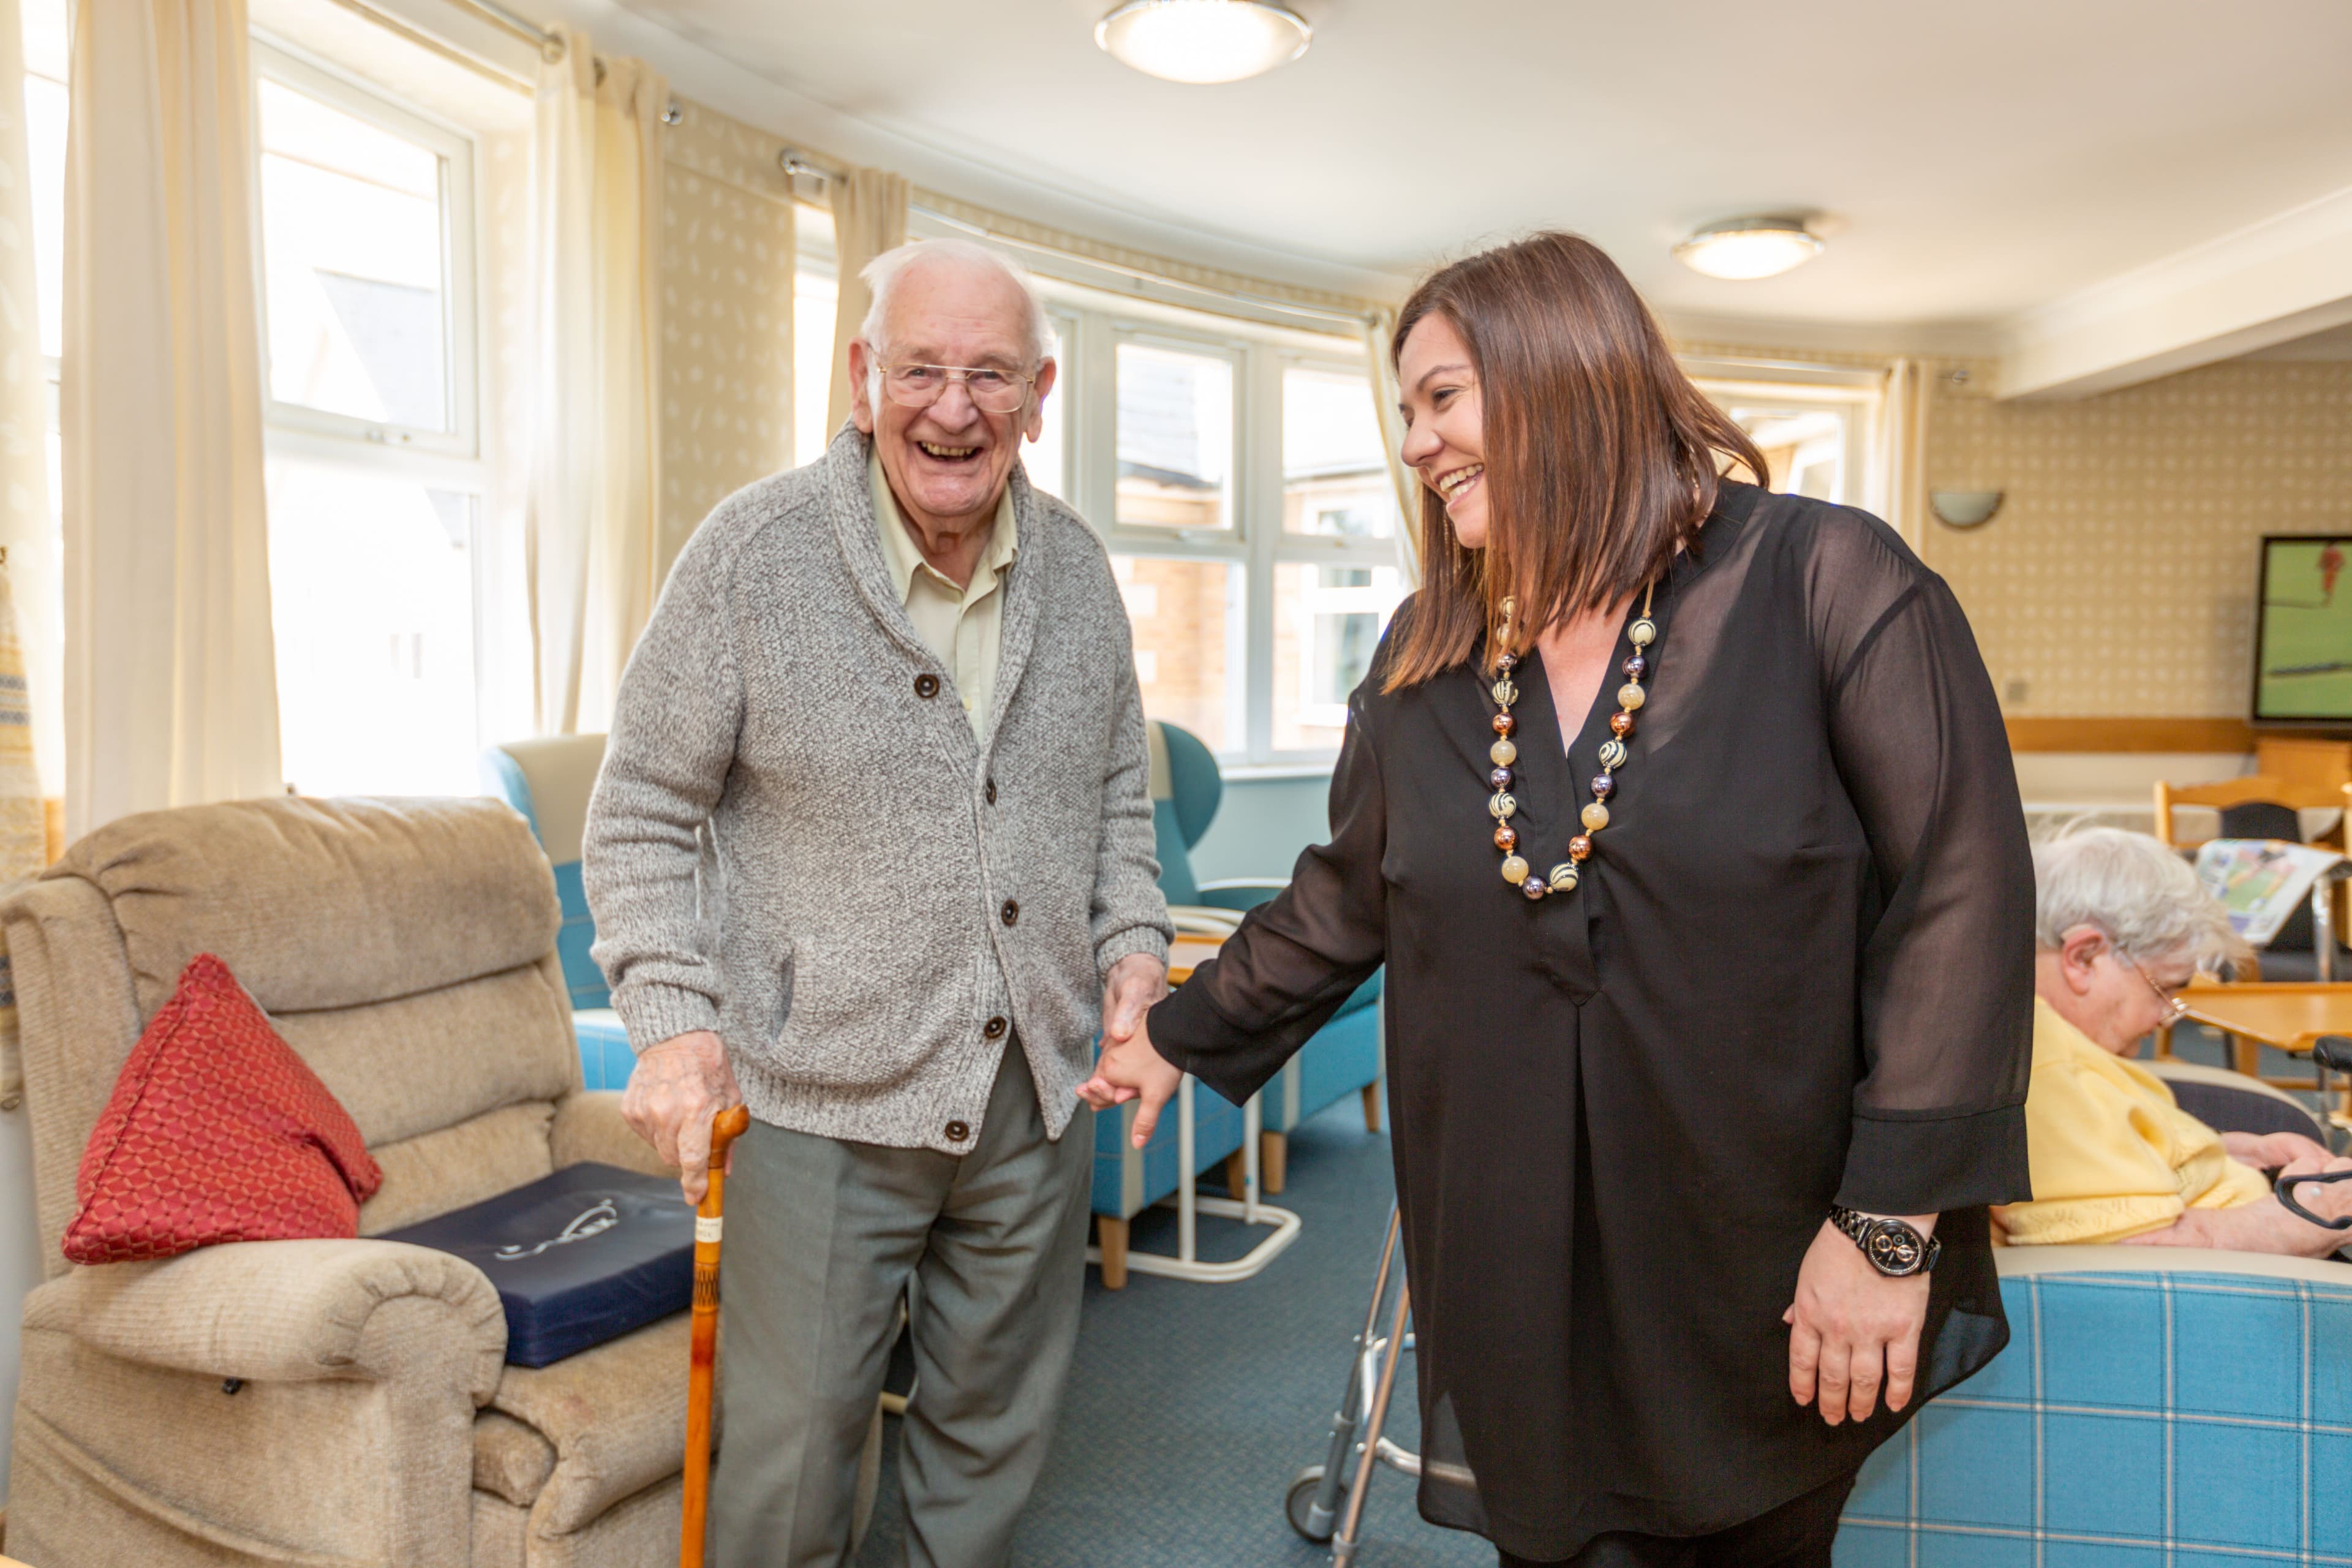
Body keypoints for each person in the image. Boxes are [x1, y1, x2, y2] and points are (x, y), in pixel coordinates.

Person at [1084, 231, 2036, 1568]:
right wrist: (1175, 1034)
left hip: (1759, 1242)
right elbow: (1345, 896)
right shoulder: (1425, 652)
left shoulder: (1827, 581)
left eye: (1441, 397)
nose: (1413, 440)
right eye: (1404, 409)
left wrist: (1886, 1232)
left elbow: (1961, 893)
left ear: (1560, 374)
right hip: (1512, 1246)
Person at [583, 237, 1172, 1568]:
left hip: (1034, 1095)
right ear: (863, 378)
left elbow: (1117, 797)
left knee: (984, 1449)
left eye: (989, 374)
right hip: (820, 1101)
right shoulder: (752, 556)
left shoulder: (1078, 571)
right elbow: (639, 811)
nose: (952, 406)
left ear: (1040, 392)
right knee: (788, 1476)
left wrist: (1133, 945)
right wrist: (671, 1016)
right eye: (920, 368)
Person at [1997, 826, 2352, 1252]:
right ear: (2083, 957)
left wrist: (2240, 1152)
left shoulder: (2060, 1041)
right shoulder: (2044, 1070)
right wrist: (2313, 1215)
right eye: (2164, 989)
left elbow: (2112, 1157)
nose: (2168, 1018)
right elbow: (2128, 1241)